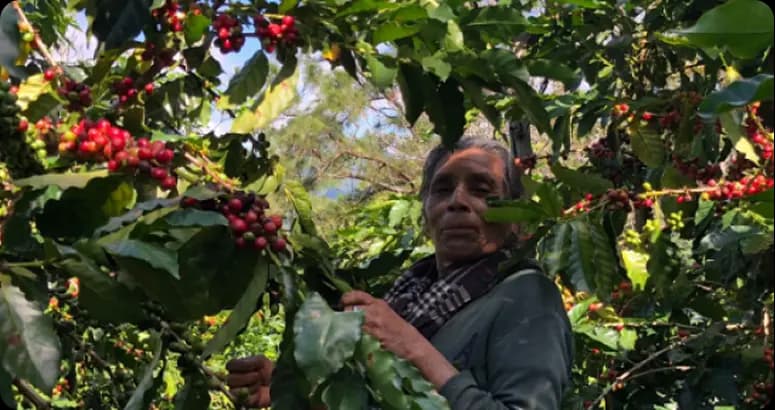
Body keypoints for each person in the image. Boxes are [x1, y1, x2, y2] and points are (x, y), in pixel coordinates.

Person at [226, 137, 574, 409]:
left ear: (515, 219)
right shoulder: (410, 295)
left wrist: (413, 347)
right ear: (425, 213)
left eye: (482, 190)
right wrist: (301, 390)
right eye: (442, 189)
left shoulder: (525, 295)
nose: (457, 201)